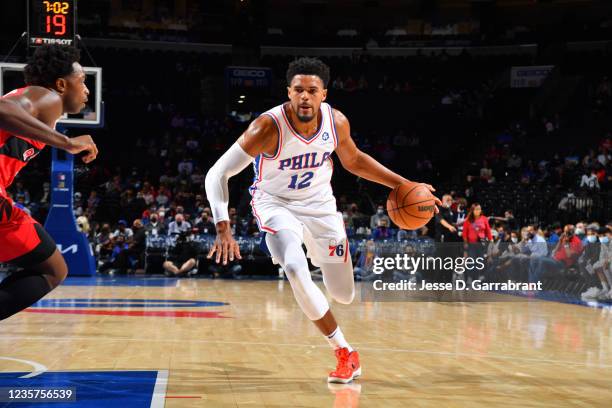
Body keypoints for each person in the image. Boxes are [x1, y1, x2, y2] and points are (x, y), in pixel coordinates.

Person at [205, 57, 440, 383]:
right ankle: (345, 352)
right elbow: (218, 172)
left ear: (323, 94)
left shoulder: (336, 122)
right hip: (276, 204)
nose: (304, 96)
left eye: (311, 90)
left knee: (343, 294)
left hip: (320, 208)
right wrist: (222, 225)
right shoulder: (267, 127)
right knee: (294, 267)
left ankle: (323, 256)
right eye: (298, 90)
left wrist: (403, 185)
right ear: (289, 92)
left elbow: (355, 160)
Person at [0, 45, 98, 320]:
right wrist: (66, 142)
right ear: (60, 84)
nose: (87, 90)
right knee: (52, 269)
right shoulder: (47, 98)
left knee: (53, 267)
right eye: (83, 81)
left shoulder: (36, 104)